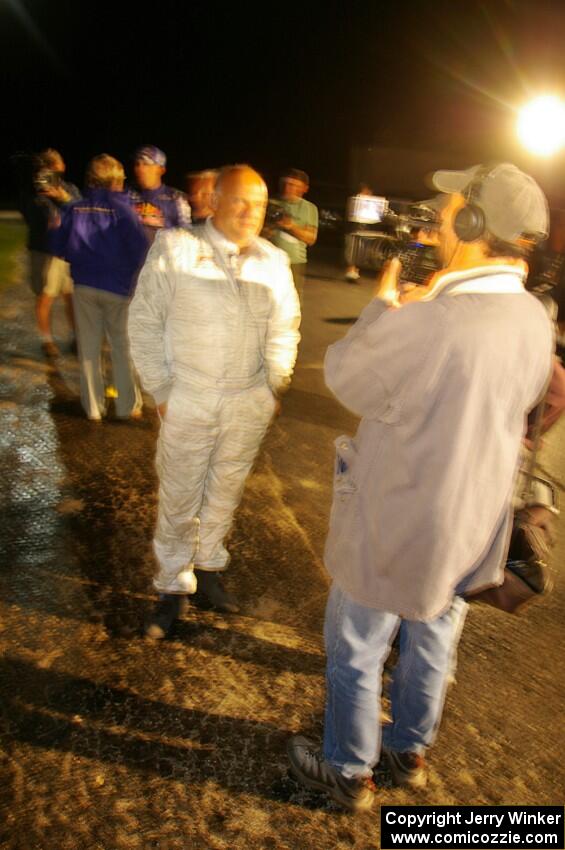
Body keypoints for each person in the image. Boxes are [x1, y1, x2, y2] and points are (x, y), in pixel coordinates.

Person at [286, 162, 554, 812]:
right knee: (433, 637)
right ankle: (409, 750)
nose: (436, 216)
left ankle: (347, 770)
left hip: (396, 518)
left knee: (356, 645)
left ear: (471, 223)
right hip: (470, 523)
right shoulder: (532, 317)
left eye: (449, 205)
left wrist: (384, 305)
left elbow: (347, 376)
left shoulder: (436, 321)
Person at [128, 164, 300, 635]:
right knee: (180, 495)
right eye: (242, 201)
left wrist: (273, 385)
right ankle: (170, 586)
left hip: (247, 400)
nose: (251, 213)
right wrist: (162, 391)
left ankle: (208, 571)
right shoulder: (176, 249)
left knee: (226, 490)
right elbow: (144, 323)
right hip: (191, 395)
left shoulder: (273, 260)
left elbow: (284, 329)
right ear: (217, 200)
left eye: (261, 205)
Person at [50, 154, 148, 421]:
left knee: (89, 349)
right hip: (118, 290)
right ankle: (127, 407)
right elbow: (140, 250)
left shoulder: (73, 209)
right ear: (115, 180)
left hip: (84, 287)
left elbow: (58, 247)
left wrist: (81, 261)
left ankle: (93, 408)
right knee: (121, 348)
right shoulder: (124, 211)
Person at [18, 148, 81, 358]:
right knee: (45, 296)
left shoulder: (69, 189)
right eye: (50, 166)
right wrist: (45, 198)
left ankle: (75, 337)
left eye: (58, 164)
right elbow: (35, 219)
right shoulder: (33, 192)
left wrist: (62, 198)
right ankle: (46, 341)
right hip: (43, 252)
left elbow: (81, 212)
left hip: (67, 253)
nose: (57, 168)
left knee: (70, 295)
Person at [265, 168, 318, 299]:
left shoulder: (309, 208)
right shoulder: (270, 203)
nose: (287, 188)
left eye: (294, 185)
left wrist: (290, 226)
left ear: (304, 188)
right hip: (269, 259)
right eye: (285, 183)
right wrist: (268, 229)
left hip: (294, 262)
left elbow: (311, 238)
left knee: (290, 300)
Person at [128, 145, 191, 243]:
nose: (140, 169)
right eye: (137, 164)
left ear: (161, 170)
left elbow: (187, 236)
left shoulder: (177, 198)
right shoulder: (127, 196)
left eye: (146, 164)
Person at [344, 183, 374, 282]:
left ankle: (355, 272)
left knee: (361, 252)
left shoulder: (370, 204)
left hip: (364, 232)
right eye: (366, 192)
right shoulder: (355, 201)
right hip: (353, 231)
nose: (368, 194)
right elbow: (350, 216)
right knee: (352, 251)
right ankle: (351, 270)